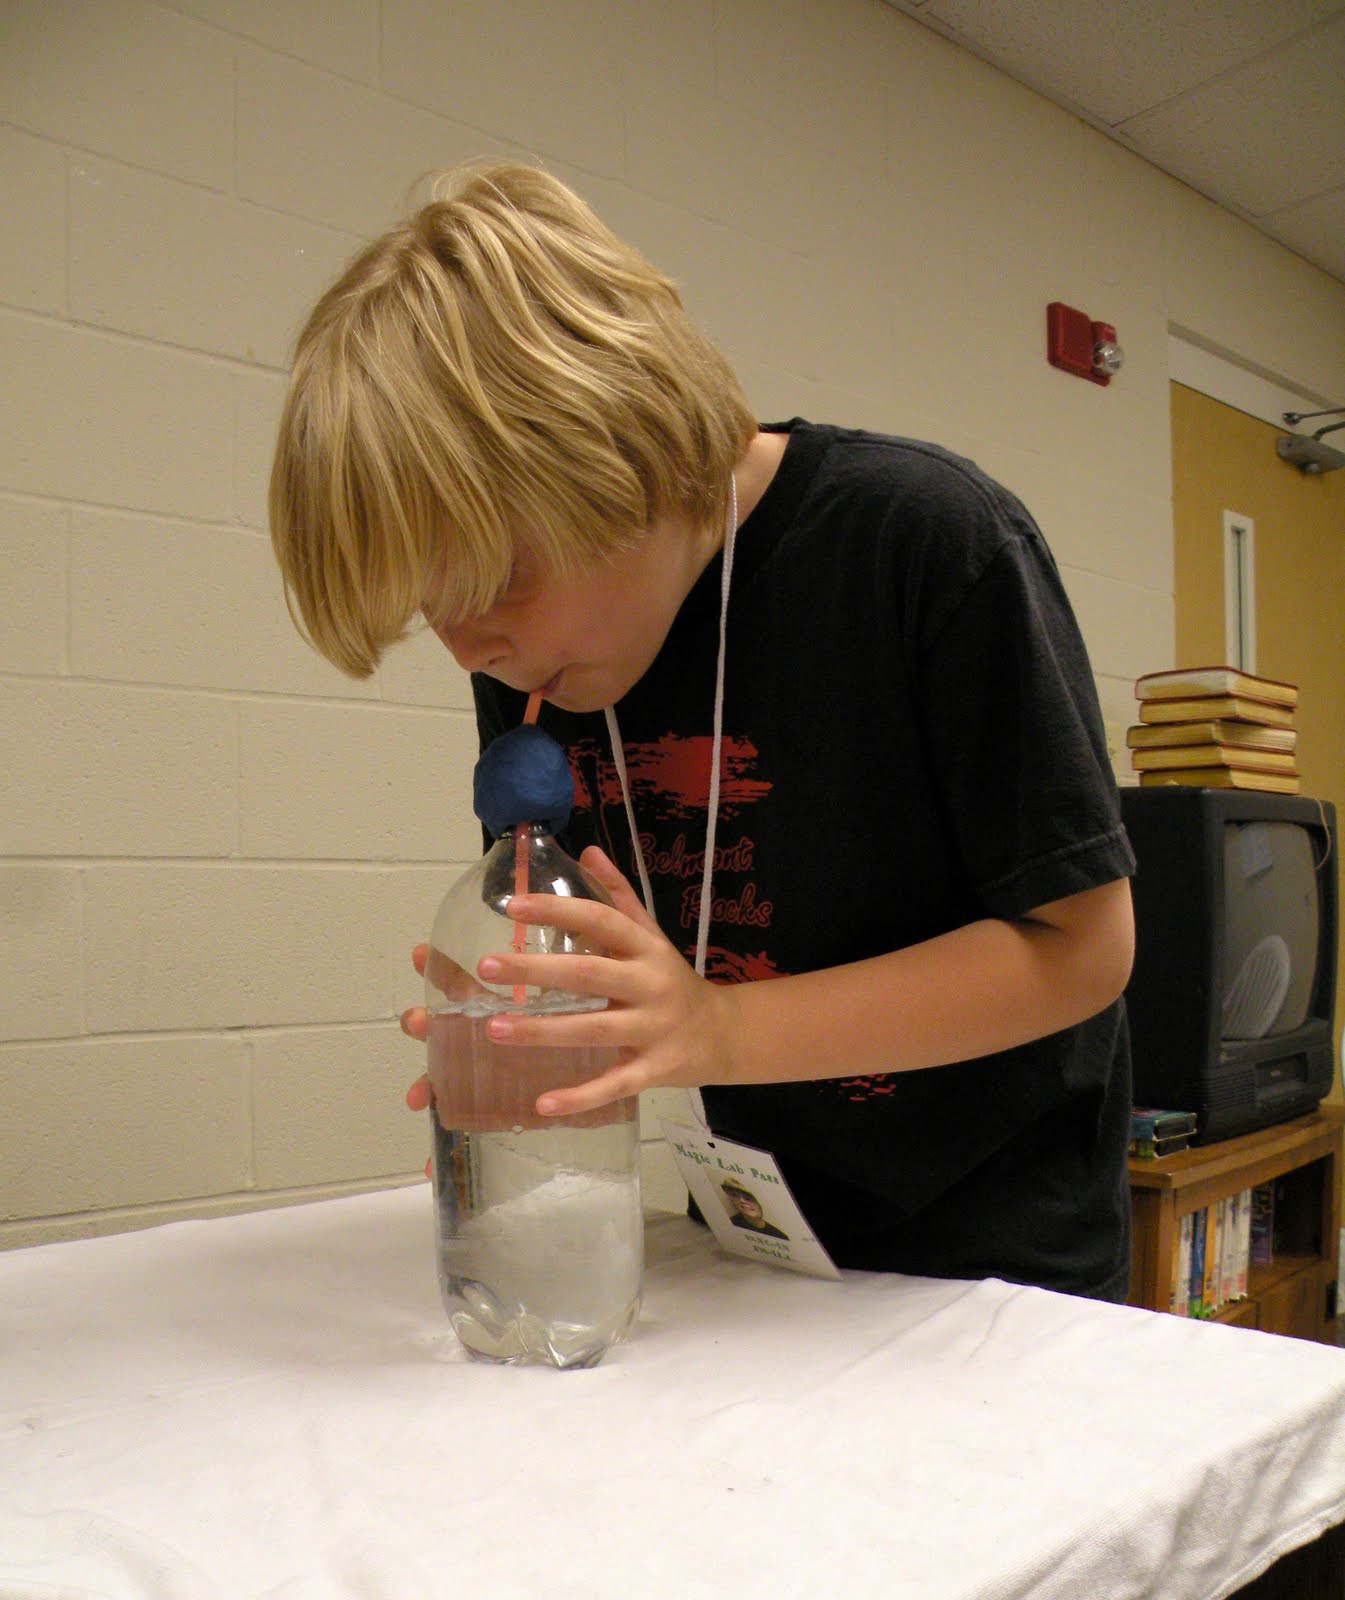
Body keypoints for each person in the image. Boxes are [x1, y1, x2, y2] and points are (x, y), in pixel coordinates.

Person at [270, 161, 1137, 1302]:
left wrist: (717, 1029)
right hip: (757, 1239)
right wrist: (553, 1048)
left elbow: (1081, 948)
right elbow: (643, 974)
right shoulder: (546, 652)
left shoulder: (926, 547)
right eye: (436, 611)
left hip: (1000, 1262)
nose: (469, 651)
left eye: (496, 585)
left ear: (616, 455)